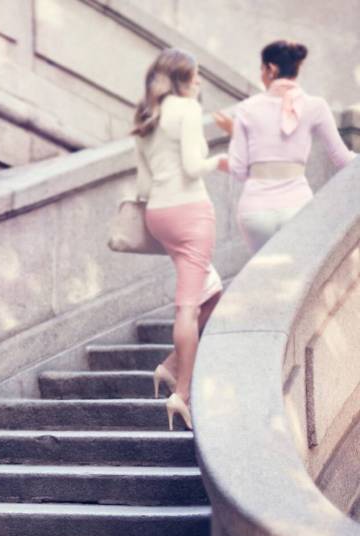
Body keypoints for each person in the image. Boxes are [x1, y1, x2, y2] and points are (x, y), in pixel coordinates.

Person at [132, 48, 228, 431]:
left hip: (159, 214)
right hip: (190, 211)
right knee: (188, 306)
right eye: (196, 75)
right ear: (181, 78)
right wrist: (219, 161)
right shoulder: (187, 111)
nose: (200, 81)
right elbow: (192, 167)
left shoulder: (146, 116)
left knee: (212, 291)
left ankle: (171, 367)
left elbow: (142, 183)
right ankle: (182, 394)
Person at [215, 40, 356, 253]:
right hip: (298, 209)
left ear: (270, 69)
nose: (261, 75)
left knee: (263, 277)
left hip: (256, 212)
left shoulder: (246, 109)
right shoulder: (315, 106)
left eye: (261, 69)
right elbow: (342, 159)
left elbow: (238, 169)